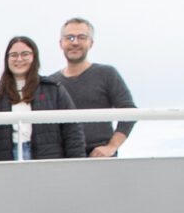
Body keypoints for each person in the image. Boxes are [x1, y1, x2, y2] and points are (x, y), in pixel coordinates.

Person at [0, 37, 85, 162]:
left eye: (25, 54)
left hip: (46, 164)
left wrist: (77, 166)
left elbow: (72, 132)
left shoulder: (54, 91)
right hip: (7, 163)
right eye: (13, 55)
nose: (19, 59)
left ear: (34, 57)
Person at [51, 17, 138, 157]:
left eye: (81, 37)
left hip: (100, 159)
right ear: (61, 43)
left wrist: (111, 147)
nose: (75, 42)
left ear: (90, 43)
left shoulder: (107, 74)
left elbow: (129, 112)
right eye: (70, 37)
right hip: (64, 159)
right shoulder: (51, 83)